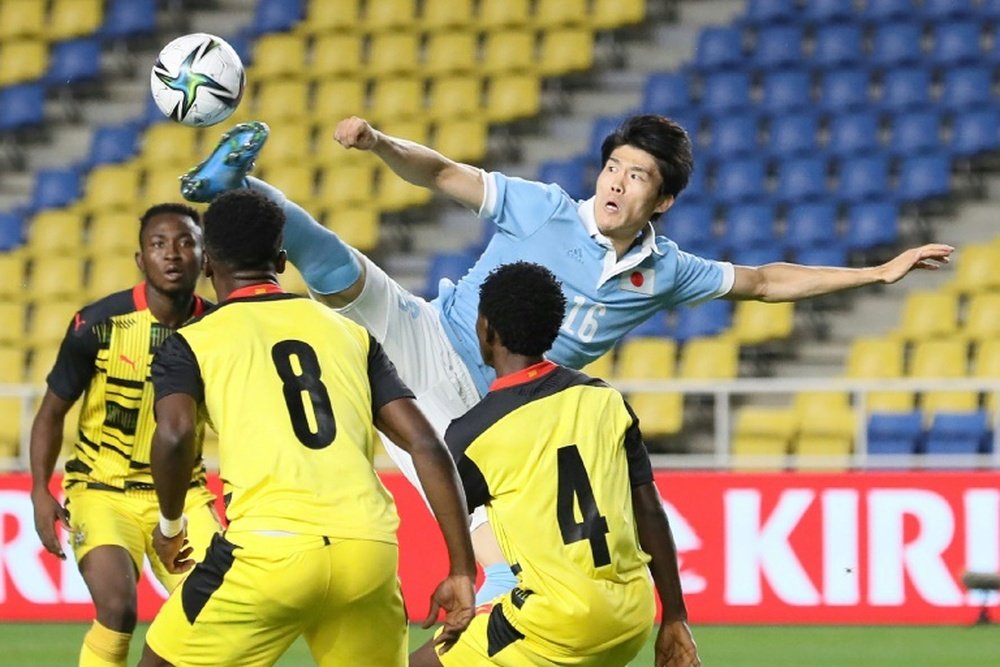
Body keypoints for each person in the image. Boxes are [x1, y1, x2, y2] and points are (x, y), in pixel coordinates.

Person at [179, 114, 954, 603]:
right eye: (615, 165)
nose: (618, 180)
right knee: (342, 269)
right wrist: (383, 145)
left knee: (500, 559)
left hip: (481, 412)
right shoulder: (545, 206)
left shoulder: (666, 269)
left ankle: (499, 641)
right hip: (431, 330)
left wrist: (877, 271)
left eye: (638, 175)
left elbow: (762, 281)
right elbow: (446, 172)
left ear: (663, 200)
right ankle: (248, 186)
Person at [139, 189, 476, 667]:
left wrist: (172, 526)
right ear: (281, 259)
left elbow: (173, 436)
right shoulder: (351, 333)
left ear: (207, 263)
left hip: (270, 553)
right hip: (368, 553)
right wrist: (461, 568)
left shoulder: (191, 344)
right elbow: (425, 442)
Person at [412, 261, 700, 667]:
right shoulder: (605, 400)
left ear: (486, 330)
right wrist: (675, 617)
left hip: (556, 624)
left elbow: (456, 516)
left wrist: (460, 572)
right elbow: (649, 510)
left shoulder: (473, 434)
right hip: (632, 616)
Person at [29, 203, 222, 667]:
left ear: (205, 258)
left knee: (215, 610)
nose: (172, 254)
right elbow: (52, 413)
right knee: (117, 608)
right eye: (158, 244)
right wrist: (39, 489)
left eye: (185, 243)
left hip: (184, 496)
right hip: (101, 492)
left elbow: (239, 419)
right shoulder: (96, 324)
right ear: (141, 259)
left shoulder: (220, 329)